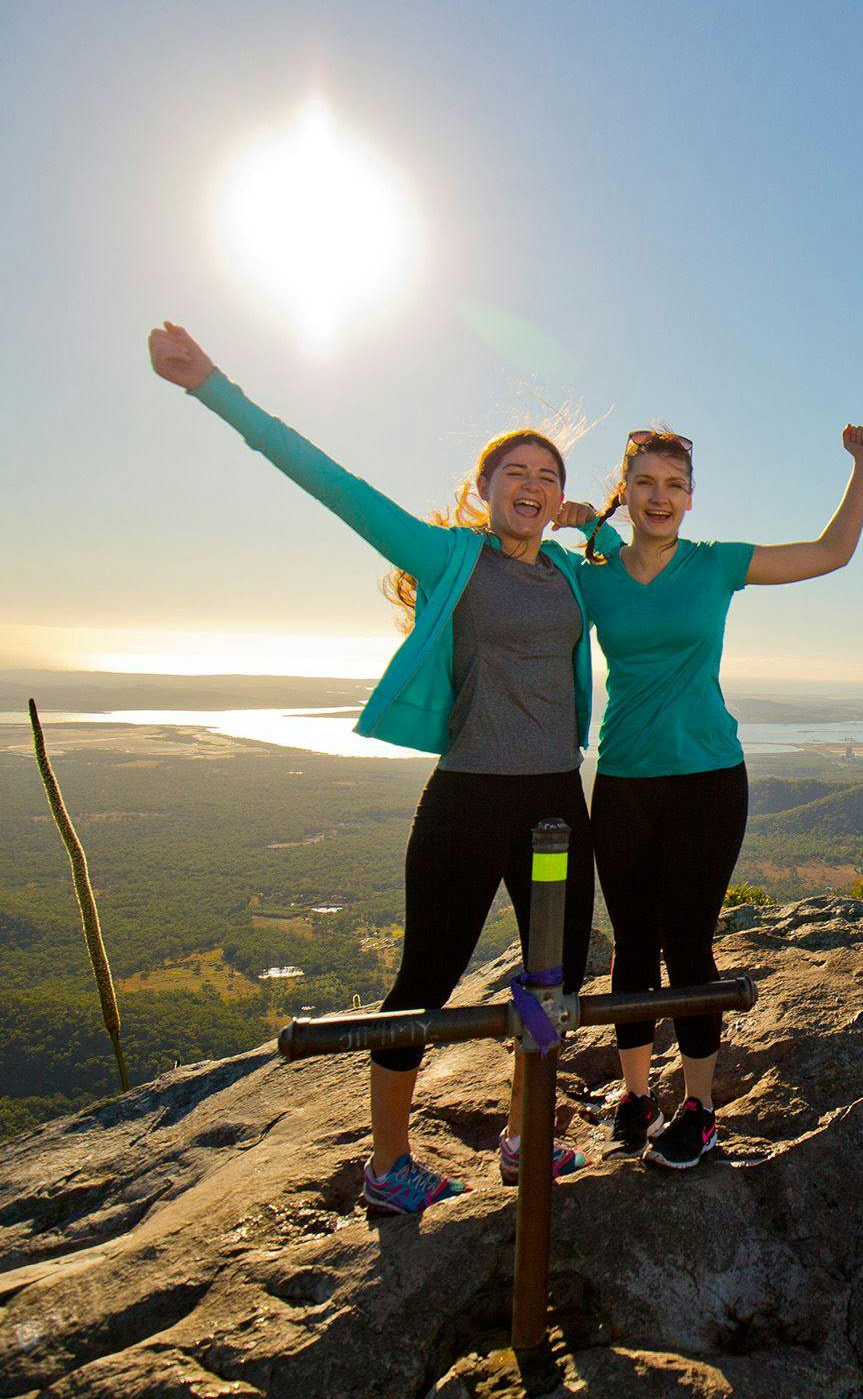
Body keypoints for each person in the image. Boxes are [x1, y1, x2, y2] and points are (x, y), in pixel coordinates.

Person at [146, 322, 597, 1214]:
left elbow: (630, 566)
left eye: (549, 477)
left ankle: (525, 1138)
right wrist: (212, 387)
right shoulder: (449, 557)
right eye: (516, 472)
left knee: (557, 981)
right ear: (483, 489)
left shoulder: (569, 574)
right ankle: (388, 1165)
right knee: (424, 981)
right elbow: (335, 486)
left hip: (556, 798)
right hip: (470, 797)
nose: (533, 485)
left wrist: (596, 532)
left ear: (559, 501)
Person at [569, 421, 863, 1168]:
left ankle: (699, 1108)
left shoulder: (714, 564)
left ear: (692, 497)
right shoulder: (592, 574)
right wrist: (573, 522)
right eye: (645, 483)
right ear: (624, 490)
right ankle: (635, 1096)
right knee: (631, 945)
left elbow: (831, 552)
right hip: (623, 779)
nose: (660, 497)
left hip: (708, 780)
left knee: (687, 943)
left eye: (674, 485)